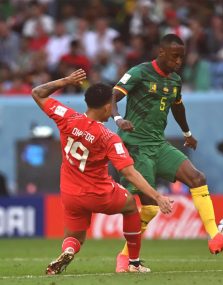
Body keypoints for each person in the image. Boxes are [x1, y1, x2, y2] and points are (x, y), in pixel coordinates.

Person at [111, 34, 223, 272]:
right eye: (174, 56)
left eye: (181, 57)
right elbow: (113, 95)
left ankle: (215, 236)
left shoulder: (175, 81)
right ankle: (125, 257)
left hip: (158, 144)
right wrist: (118, 118)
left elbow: (177, 106)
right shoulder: (139, 72)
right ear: (161, 53)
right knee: (150, 208)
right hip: (137, 146)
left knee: (198, 178)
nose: (179, 61)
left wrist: (186, 132)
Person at [31, 69, 173, 275]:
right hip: (99, 193)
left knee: (75, 237)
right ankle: (133, 263)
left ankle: (69, 250)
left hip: (70, 194)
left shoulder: (67, 117)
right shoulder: (108, 138)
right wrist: (157, 196)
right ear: (108, 107)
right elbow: (130, 173)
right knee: (131, 205)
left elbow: (37, 92)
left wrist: (67, 80)